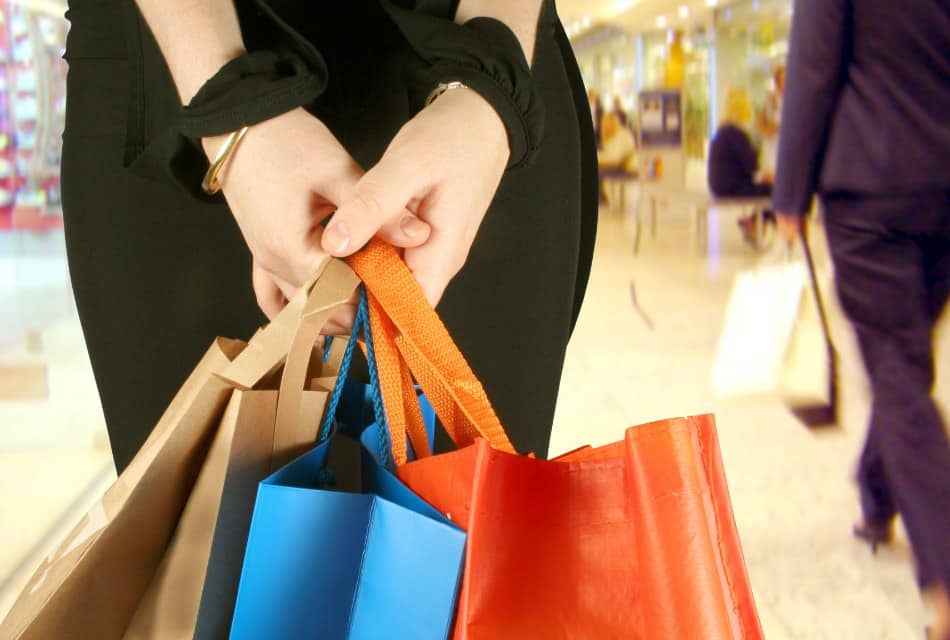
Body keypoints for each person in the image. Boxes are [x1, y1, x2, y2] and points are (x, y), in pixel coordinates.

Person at [61, 0, 597, 473]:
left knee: (475, 560)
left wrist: (489, 85)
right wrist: (226, 106)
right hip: (177, 65)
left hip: (476, 88)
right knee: (201, 570)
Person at [773, 2, 950, 636]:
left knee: (899, 373)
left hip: (869, 184)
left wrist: (790, 193)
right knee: (903, 363)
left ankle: (944, 579)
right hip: (941, 190)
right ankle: (878, 498)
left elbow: (816, 64)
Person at [707, 88, 773, 244]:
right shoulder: (737, 134)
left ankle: (754, 221)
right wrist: (768, 175)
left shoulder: (723, 131)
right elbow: (751, 167)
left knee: (769, 187)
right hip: (732, 187)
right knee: (776, 190)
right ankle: (755, 222)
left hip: (719, 185)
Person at [756, 65, 785, 176]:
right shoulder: (769, 99)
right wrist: (768, 129)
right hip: (771, 144)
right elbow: (760, 122)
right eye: (782, 80)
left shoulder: (794, 100)